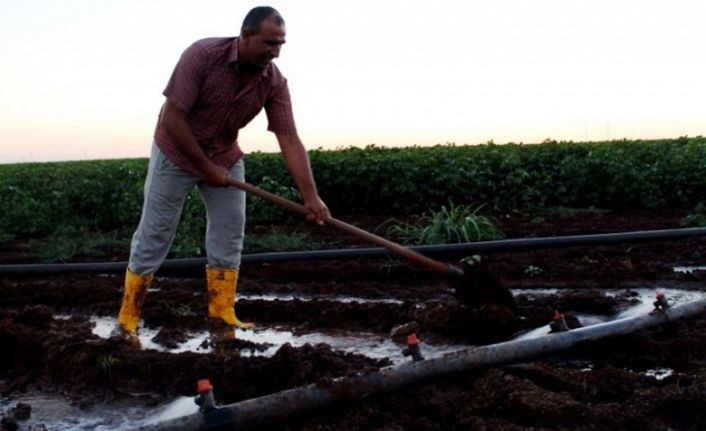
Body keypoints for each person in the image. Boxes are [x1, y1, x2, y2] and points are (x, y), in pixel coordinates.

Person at [114, 6, 330, 337]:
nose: (275, 52)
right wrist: (205, 167)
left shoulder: (273, 82)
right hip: (175, 152)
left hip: (224, 155)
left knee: (230, 233)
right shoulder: (202, 55)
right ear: (245, 36)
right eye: (270, 43)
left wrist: (311, 197)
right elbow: (172, 118)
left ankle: (222, 313)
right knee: (156, 233)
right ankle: (129, 316)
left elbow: (289, 139)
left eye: (281, 45)